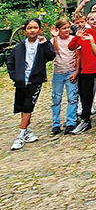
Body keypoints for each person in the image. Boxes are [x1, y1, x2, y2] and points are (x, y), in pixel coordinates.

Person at [8, 19, 55, 150]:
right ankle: (28, 131)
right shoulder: (18, 48)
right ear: (25, 30)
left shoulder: (42, 45)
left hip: (36, 80)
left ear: (40, 29)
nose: (33, 30)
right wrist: (15, 77)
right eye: (29, 28)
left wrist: (45, 44)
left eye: (35, 27)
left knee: (28, 106)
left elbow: (51, 56)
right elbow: (10, 63)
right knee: (23, 106)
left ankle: (20, 135)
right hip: (22, 81)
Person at [69, 10, 96, 134]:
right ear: (88, 22)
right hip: (86, 69)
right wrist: (77, 36)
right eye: (92, 19)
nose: (95, 21)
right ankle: (85, 120)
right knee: (86, 95)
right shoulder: (84, 34)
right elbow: (71, 47)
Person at [49, 17, 79, 135]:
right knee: (56, 99)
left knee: (72, 98)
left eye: (68, 28)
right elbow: (55, 51)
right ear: (58, 29)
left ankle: (71, 122)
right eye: (63, 28)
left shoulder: (73, 39)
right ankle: (55, 123)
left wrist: (76, 71)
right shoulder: (53, 40)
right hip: (58, 73)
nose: (66, 30)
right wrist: (55, 37)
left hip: (70, 71)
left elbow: (78, 56)